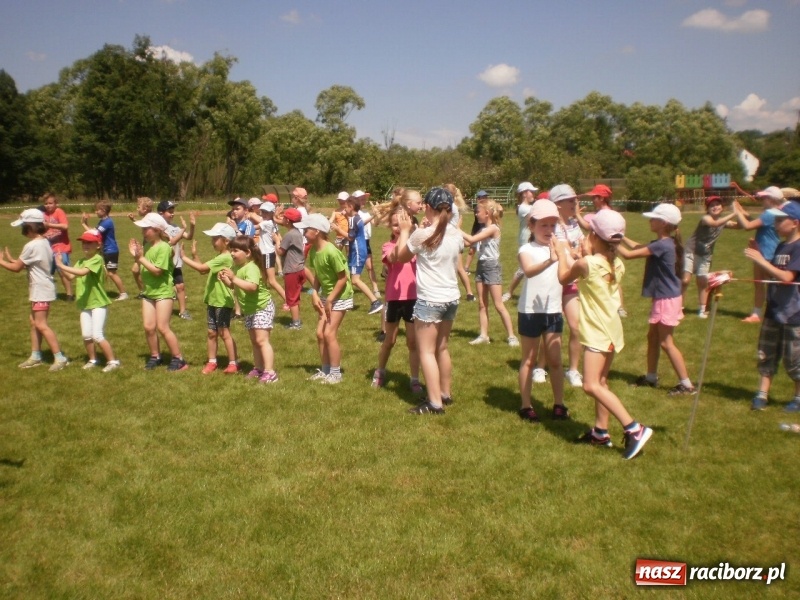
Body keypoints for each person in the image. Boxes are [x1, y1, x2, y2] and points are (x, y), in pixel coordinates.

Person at [553, 209, 653, 459]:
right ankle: (600, 432)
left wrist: (562, 253)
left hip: (598, 333)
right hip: (611, 330)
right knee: (601, 383)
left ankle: (634, 428)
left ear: (595, 236)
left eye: (589, 233)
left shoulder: (587, 263)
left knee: (590, 384)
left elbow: (565, 278)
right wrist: (581, 253)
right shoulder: (615, 262)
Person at [393, 187, 464, 414]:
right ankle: (445, 393)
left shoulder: (422, 235)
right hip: (451, 298)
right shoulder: (456, 234)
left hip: (430, 300)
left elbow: (400, 257)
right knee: (442, 348)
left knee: (426, 352)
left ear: (428, 208)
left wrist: (405, 231)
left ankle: (434, 403)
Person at [619, 203, 695, 396]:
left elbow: (628, 255)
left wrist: (607, 240)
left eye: (653, 218)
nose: (650, 221)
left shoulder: (662, 245)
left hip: (666, 300)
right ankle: (651, 377)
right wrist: (620, 238)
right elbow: (637, 247)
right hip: (665, 298)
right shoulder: (664, 243)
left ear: (663, 223)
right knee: (652, 337)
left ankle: (686, 384)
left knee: (666, 342)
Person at [743, 202, 800, 411]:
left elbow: (787, 277)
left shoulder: (798, 247)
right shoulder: (780, 247)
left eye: (779, 220)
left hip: (794, 313)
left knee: (794, 357)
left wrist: (761, 260)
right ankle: (762, 394)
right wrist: (759, 257)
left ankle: (798, 397)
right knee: (766, 353)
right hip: (774, 310)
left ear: (794, 223)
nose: (775, 224)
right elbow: (771, 276)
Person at [517, 200, 568, 422]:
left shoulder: (561, 246)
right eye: (543, 226)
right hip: (530, 311)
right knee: (528, 359)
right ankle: (526, 405)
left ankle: (559, 404)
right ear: (532, 226)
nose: (549, 231)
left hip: (553, 310)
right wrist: (551, 259)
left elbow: (571, 272)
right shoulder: (526, 249)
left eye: (552, 226)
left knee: (555, 361)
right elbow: (528, 271)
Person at [0, 209, 69, 371]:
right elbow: (31, 263)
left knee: (41, 324)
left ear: (30, 226)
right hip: (42, 288)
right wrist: (11, 260)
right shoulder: (44, 242)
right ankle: (36, 355)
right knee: (34, 323)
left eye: (23, 226)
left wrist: (2, 262)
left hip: (41, 291)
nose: (22, 230)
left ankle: (60, 358)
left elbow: (17, 268)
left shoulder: (31, 245)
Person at [128, 212, 188, 371]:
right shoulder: (147, 246)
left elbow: (157, 271)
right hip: (149, 292)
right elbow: (144, 265)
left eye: (146, 229)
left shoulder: (164, 247)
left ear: (156, 230)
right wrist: (136, 256)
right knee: (148, 327)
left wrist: (140, 258)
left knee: (162, 327)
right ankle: (155, 356)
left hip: (163, 293)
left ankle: (179, 358)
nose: (142, 232)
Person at [54, 229, 120, 372]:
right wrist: (59, 264)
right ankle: (92, 359)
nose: (85, 245)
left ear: (98, 245)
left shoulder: (97, 259)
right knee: (86, 335)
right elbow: (71, 277)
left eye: (89, 242)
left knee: (97, 334)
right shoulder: (81, 261)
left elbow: (82, 272)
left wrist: (62, 265)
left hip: (98, 303)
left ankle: (113, 362)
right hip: (85, 303)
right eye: (84, 242)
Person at [372, 208, 422, 394]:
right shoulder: (387, 245)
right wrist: (404, 233)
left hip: (413, 298)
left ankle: (415, 379)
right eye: (395, 224)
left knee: (412, 342)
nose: (399, 227)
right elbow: (395, 257)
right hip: (394, 299)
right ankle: (380, 372)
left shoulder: (416, 246)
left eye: (402, 223)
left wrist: (413, 232)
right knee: (389, 340)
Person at [302, 213, 354, 384]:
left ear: (316, 231)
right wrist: (315, 293)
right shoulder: (314, 251)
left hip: (340, 296)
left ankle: (336, 374)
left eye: (306, 229)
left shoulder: (331, 251)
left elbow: (342, 278)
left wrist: (329, 300)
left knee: (329, 333)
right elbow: (318, 275)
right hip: (327, 295)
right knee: (319, 333)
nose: (303, 232)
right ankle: (325, 371)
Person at [219, 235, 278, 384]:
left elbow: (252, 287)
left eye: (236, 250)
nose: (232, 254)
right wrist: (227, 280)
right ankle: (258, 368)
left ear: (248, 253)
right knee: (254, 340)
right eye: (231, 250)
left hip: (261, 307)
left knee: (262, 340)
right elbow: (236, 286)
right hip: (250, 309)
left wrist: (233, 278)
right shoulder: (238, 267)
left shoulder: (251, 267)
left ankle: (270, 372)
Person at [181, 223, 239, 375]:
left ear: (226, 241)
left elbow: (201, 269)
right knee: (211, 332)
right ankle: (212, 361)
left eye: (215, 239)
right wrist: (195, 256)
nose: (212, 242)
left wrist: (183, 257)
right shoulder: (220, 256)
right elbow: (204, 271)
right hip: (213, 300)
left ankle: (233, 363)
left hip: (222, 301)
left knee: (223, 332)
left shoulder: (225, 257)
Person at [460, 199, 519, 347]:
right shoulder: (482, 229)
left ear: (487, 213)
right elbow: (468, 243)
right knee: (482, 303)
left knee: (498, 304)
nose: (476, 214)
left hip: (492, 266)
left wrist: (455, 228)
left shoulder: (493, 228)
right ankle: (484, 335)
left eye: (477, 211)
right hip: (481, 266)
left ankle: (512, 336)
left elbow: (472, 238)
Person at [733, 186, 785, 323]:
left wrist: (736, 212)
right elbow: (757, 223)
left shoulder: (769, 214)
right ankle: (767, 312)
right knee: (768, 284)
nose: (762, 200)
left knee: (761, 284)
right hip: (770, 251)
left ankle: (757, 314)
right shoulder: (777, 213)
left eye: (764, 198)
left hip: (764, 253)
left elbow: (748, 226)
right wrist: (743, 212)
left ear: (771, 199)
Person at [577, 184, 628, 317]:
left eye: (595, 197)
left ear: (601, 198)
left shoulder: (603, 214)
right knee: (614, 276)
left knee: (603, 276)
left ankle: (609, 304)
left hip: (603, 250)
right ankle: (620, 307)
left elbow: (588, 227)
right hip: (612, 250)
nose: (593, 200)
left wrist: (576, 214)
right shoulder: (613, 213)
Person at [682, 196, 738, 318]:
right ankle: (679, 308)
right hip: (691, 251)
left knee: (702, 282)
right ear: (707, 209)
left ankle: (702, 310)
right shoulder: (705, 218)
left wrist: (741, 213)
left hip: (706, 255)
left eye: (718, 204)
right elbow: (715, 223)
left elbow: (741, 225)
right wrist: (734, 213)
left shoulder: (724, 222)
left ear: (722, 207)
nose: (715, 207)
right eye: (712, 206)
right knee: (685, 281)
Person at [552, 184, 585, 387]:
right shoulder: (551, 226)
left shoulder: (574, 224)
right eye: (570, 200)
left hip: (571, 280)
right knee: (551, 329)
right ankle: (541, 365)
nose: (575, 203)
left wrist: (575, 253)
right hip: (554, 281)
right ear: (558, 204)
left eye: (575, 199)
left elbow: (582, 248)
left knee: (576, 326)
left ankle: (572, 370)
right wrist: (574, 253)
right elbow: (565, 252)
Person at [333, 194, 383, 315]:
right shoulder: (357, 218)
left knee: (355, 280)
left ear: (350, 206)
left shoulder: (353, 220)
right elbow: (361, 225)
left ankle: (375, 302)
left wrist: (338, 229)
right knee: (349, 276)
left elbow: (351, 237)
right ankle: (347, 301)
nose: (344, 210)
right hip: (358, 250)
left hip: (358, 251)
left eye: (346, 207)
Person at [81, 200, 127, 300]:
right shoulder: (103, 221)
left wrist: (84, 223)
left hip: (111, 250)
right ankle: (99, 290)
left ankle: (123, 293)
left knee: (111, 273)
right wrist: (85, 223)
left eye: (97, 210)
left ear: (104, 210)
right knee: (105, 272)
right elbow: (94, 231)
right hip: (105, 250)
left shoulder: (107, 222)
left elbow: (94, 234)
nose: (96, 212)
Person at [158, 200, 195, 320]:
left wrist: (192, 226)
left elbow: (188, 237)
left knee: (180, 286)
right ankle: (160, 310)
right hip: (164, 264)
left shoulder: (174, 226)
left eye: (173, 211)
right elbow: (171, 241)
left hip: (176, 262)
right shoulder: (158, 228)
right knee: (165, 288)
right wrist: (183, 229)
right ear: (161, 213)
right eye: (169, 211)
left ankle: (182, 311)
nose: (172, 214)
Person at [502, 181, 538, 303]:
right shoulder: (524, 208)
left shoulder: (530, 207)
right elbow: (534, 219)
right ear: (524, 193)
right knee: (523, 269)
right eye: (531, 191)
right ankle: (509, 292)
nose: (533, 193)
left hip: (532, 239)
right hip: (526, 240)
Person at [277, 208, 306, 330]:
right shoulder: (297, 232)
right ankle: (296, 319)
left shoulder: (289, 235)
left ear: (288, 221)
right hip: (299, 268)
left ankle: (296, 323)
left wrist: (276, 241)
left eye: (284, 218)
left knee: (291, 299)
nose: (282, 219)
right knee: (295, 296)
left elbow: (280, 251)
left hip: (292, 270)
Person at [41, 192, 73, 301]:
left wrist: (49, 225)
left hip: (61, 247)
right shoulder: (44, 214)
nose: (48, 205)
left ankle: (69, 294)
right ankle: (50, 294)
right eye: (46, 203)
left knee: (63, 272)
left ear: (55, 203)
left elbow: (65, 226)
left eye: (50, 203)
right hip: (49, 248)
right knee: (48, 272)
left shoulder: (59, 212)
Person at [128, 197, 154, 298]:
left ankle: (175, 291)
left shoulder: (152, 218)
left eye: (138, 207)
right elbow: (143, 226)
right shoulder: (146, 218)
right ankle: (144, 291)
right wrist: (134, 219)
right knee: (135, 270)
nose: (137, 209)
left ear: (145, 209)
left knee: (150, 273)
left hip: (150, 249)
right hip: (145, 248)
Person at [357, 191, 382, 298]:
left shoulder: (366, 212)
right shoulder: (354, 213)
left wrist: (379, 215)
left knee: (370, 266)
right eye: (361, 199)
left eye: (364, 199)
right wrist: (373, 215)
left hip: (366, 241)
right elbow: (361, 224)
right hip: (357, 241)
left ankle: (375, 289)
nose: (363, 201)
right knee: (355, 267)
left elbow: (375, 224)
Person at [463, 189, 488, 274]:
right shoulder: (477, 208)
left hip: (486, 231)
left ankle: (484, 268)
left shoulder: (489, 208)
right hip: (477, 230)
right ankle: (466, 268)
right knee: (471, 250)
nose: (484, 199)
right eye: (482, 197)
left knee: (484, 249)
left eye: (485, 197)